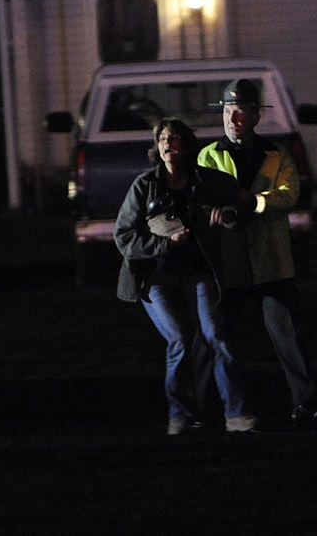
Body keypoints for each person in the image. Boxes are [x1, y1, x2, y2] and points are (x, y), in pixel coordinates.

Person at [114, 117, 258, 435]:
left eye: (175, 138)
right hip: (156, 277)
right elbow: (123, 235)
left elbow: (241, 202)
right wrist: (163, 244)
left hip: (199, 272)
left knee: (215, 336)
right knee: (179, 339)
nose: (168, 144)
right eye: (163, 139)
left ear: (187, 145)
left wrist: (228, 214)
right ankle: (180, 415)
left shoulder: (206, 181)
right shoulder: (145, 185)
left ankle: (236, 414)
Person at [197, 79, 317, 428]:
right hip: (230, 264)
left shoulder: (276, 155)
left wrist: (251, 202)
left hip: (271, 263)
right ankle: (202, 407)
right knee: (215, 336)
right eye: (228, 111)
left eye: (240, 112)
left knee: (288, 338)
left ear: (255, 116)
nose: (233, 118)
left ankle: (306, 403)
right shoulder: (208, 155)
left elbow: (289, 194)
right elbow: (200, 198)